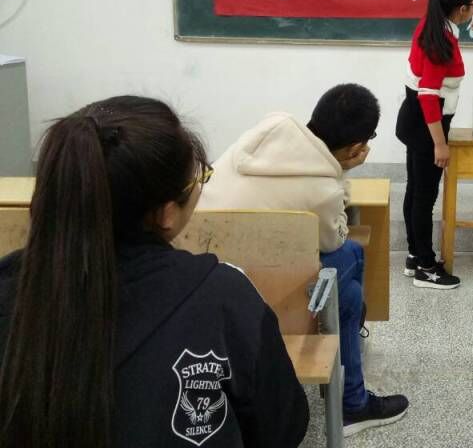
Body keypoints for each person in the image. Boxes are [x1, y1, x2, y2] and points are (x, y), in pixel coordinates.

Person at [0, 96, 309, 448]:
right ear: (166, 214)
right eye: (198, 179)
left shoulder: (10, 289)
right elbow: (282, 426)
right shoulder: (224, 299)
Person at [199, 84, 409, 437]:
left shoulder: (274, 124)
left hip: (203, 279)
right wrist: (339, 172)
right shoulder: (322, 190)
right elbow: (333, 238)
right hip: (265, 301)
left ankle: (351, 374)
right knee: (351, 262)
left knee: (348, 286)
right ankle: (352, 401)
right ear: (356, 148)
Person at [396, 0, 473, 289]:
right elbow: (428, 95)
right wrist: (440, 144)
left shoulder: (431, 21)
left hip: (415, 121)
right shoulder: (442, 44)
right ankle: (426, 268)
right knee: (424, 197)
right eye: (471, 6)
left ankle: (415, 255)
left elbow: (456, 2)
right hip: (428, 125)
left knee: (415, 190)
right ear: (461, 9)